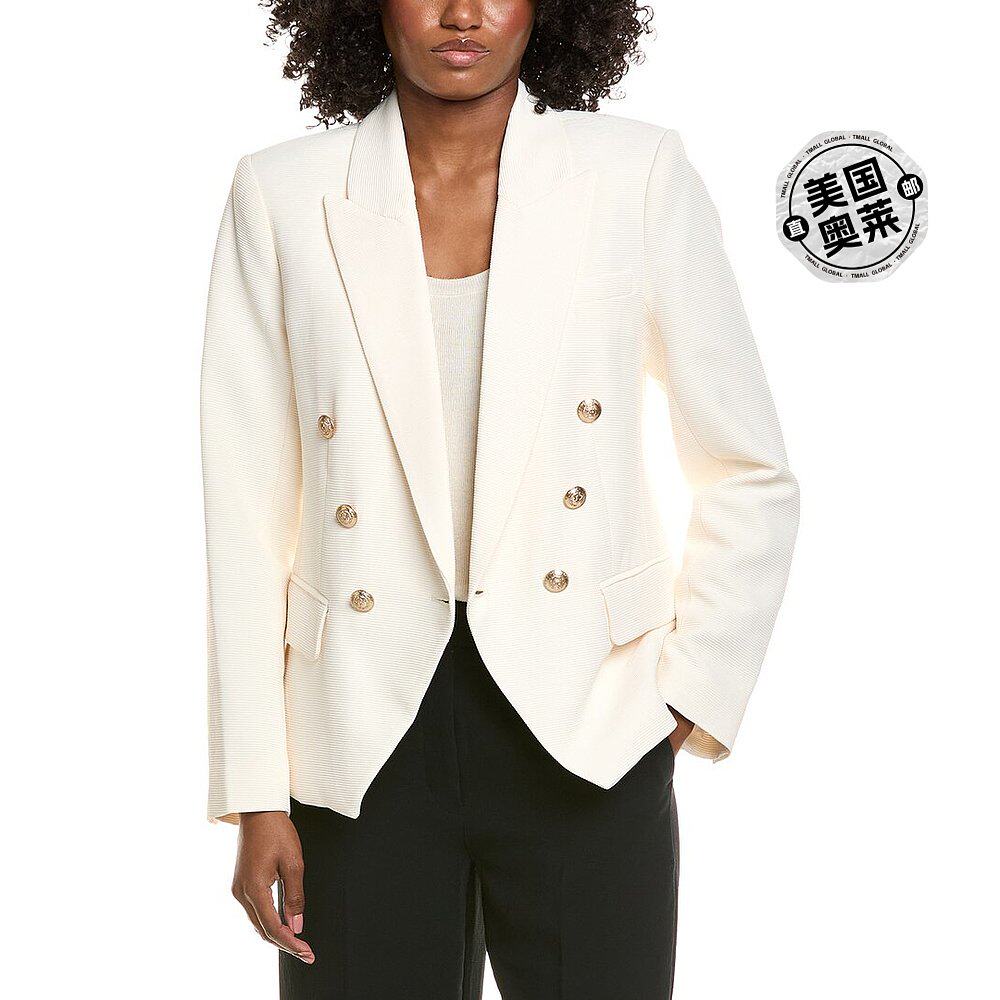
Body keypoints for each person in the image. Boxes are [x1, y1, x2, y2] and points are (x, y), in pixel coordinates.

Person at [200, 1, 799, 996]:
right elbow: (243, 516)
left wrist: (687, 693)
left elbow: (747, 467)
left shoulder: (634, 176)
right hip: (357, 730)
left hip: (586, 721)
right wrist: (256, 789)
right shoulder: (282, 193)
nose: (462, 13)